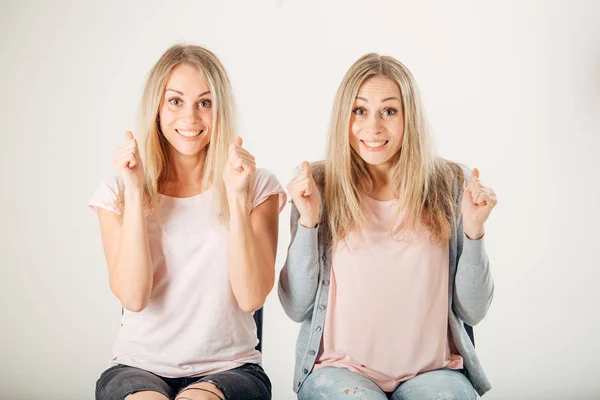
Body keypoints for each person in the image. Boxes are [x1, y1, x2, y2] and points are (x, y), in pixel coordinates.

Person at [279, 53, 497, 399]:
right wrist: (308, 221)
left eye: (390, 111)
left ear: (409, 116)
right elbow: (296, 307)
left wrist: (473, 231)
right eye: (360, 111)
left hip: (434, 373)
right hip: (339, 373)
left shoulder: (449, 184)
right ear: (344, 117)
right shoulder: (320, 184)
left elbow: (474, 310)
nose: (374, 127)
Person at [89, 44, 285, 400]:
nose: (191, 118)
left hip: (232, 369)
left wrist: (237, 198)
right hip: (136, 366)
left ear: (219, 110)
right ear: (157, 109)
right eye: (176, 101)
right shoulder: (116, 192)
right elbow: (133, 297)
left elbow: (251, 297)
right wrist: (135, 195)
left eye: (205, 103)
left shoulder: (257, 185)